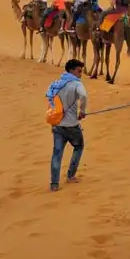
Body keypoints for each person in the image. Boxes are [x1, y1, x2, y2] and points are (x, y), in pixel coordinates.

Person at [47, 59, 88, 192]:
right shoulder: (76, 84)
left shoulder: (57, 84)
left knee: (57, 154)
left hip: (57, 124)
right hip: (71, 125)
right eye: (79, 71)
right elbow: (84, 96)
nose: (81, 74)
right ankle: (70, 175)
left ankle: (54, 184)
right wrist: (82, 111)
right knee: (79, 146)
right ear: (71, 71)